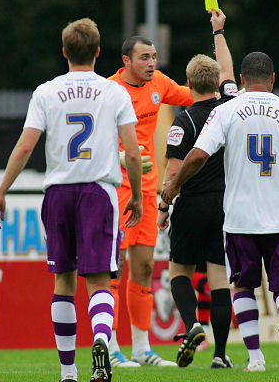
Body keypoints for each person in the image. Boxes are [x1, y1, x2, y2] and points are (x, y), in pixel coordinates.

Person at [0, 18, 143, 382]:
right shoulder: (114, 91)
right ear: (98, 52)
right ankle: (102, 340)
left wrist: (1, 190)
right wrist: (136, 195)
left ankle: (68, 372)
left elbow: (26, 145)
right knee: (100, 282)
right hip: (99, 191)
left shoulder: (46, 92)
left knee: (63, 281)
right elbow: (134, 154)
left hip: (58, 193)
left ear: (64, 52)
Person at [161, 51, 279, 372]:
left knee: (242, 285)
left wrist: (174, 185)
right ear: (273, 78)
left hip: (238, 217)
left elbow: (195, 157)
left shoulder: (227, 110)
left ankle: (256, 358)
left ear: (243, 81)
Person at [107, 31, 194, 367]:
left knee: (143, 267)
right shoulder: (109, 90)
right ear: (126, 61)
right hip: (115, 188)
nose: (151, 63)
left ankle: (141, 348)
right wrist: (119, 157)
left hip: (146, 190)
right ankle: (111, 348)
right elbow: (94, 141)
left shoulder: (158, 82)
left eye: (154, 57)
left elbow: (193, 97)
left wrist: (232, 93)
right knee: (113, 270)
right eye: (144, 58)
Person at [156, 9, 237, 369]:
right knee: (219, 278)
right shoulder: (231, 108)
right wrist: (219, 31)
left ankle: (192, 326)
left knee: (179, 273)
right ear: (217, 83)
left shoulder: (183, 119)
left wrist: (163, 205)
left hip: (190, 205)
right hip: (225, 204)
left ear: (188, 85)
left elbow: (174, 168)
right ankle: (220, 355)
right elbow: (231, 72)